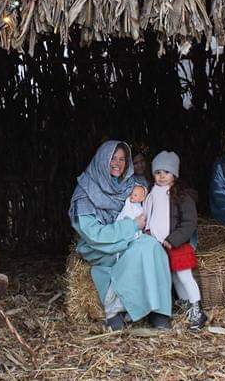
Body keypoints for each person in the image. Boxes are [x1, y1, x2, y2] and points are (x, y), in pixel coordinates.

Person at [69, 141, 173, 331]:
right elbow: (93, 234)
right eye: (112, 159)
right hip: (99, 245)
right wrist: (131, 226)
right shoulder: (85, 192)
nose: (117, 163)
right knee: (140, 251)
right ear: (102, 160)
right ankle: (114, 307)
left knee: (153, 246)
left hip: (128, 236)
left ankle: (160, 309)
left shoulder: (128, 185)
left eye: (122, 159)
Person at [143, 151, 208, 330]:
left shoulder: (182, 196)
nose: (162, 176)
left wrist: (174, 239)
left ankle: (197, 309)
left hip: (177, 244)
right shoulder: (151, 193)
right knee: (173, 277)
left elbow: (189, 222)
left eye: (167, 172)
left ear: (175, 174)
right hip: (158, 245)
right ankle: (186, 306)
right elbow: (149, 216)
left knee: (184, 276)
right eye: (158, 172)